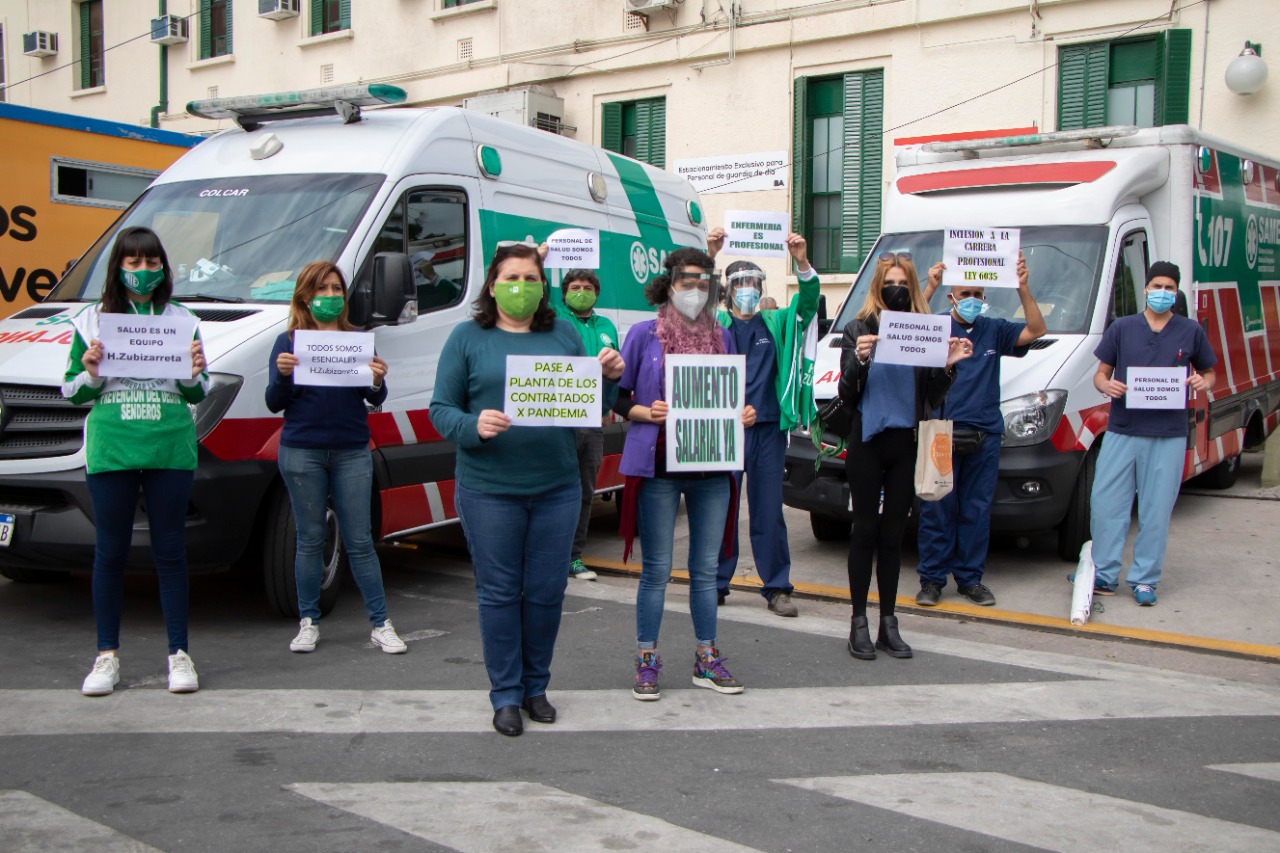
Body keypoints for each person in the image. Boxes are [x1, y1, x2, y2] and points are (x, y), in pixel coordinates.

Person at [430, 242, 624, 736]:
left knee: (544, 593)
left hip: (557, 487)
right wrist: (474, 424)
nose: (521, 288)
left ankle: (536, 687)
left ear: (544, 288)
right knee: (499, 594)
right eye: (511, 278)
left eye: (531, 280)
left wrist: (608, 381)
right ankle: (506, 695)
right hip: (489, 488)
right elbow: (440, 410)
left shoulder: (562, 334)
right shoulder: (466, 338)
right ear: (492, 286)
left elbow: (590, 408)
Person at [63, 226, 209, 697]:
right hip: (113, 447)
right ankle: (107, 656)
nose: (143, 271)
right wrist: (88, 371)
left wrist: (193, 372)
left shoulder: (182, 319)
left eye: (151, 263)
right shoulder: (91, 320)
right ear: (118, 268)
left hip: (170, 446)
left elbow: (197, 391)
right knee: (111, 553)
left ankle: (179, 655)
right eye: (133, 263)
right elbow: (70, 392)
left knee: (170, 551)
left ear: (163, 268)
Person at [615, 247, 757, 701]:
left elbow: (732, 398)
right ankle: (646, 660)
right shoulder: (642, 335)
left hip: (712, 468)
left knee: (705, 569)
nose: (695, 289)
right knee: (656, 569)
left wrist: (744, 414)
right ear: (669, 282)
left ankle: (706, 658)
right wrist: (646, 411)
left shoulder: (724, 336)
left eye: (703, 281)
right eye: (687, 280)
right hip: (658, 466)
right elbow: (618, 401)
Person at [265, 261, 407, 656]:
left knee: (360, 540)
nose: (330, 296)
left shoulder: (357, 340)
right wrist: (282, 376)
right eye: (322, 289)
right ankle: (308, 621)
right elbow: (274, 402)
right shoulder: (288, 342)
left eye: (336, 289)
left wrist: (377, 378)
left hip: (351, 451)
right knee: (309, 540)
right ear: (305, 297)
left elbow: (375, 397)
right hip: (302, 451)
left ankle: (381, 623)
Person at [838, 253, 972, 661]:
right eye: (889, 281)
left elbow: (931, 396)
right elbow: (847, 394)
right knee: (864, 531)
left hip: (905, 442)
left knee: (893, 537)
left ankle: (888, 623)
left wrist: (948, 367)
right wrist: (859, 360)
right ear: (878, 285)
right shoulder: (858, 328)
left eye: (902, 282)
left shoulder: (925, 329)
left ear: (911, 286)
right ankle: (858, 621)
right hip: (867, 441)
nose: (896, 288)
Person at [915, 252, 1045, 607]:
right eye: (965, 294)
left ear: (985, 298)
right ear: (951, 297)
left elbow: (1036, 329)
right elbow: (904, 329)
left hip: (985, 434)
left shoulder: (996, 329)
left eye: (978, 294)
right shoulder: (935, 325)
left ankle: (970, 579)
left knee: (975, 509)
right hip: (941, 432)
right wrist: (929, 286)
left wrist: (1023, 287)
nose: (972, 300)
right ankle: (931, 580)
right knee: (936, 507)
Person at [706, 227, 820, 617]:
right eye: (742, 283)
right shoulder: (715, 323)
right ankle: (717, 582)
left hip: (769, 430)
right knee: (721, 507)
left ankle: (776, 587)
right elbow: (690, 301)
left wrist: (801, 262)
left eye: (755, 283)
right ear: (728, 289)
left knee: (769, 510)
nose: (749, 290)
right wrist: (709, 252)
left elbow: (807, 305)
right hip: (725, 430)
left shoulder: (775, 322)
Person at [1089, 261, 1215, 606]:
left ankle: (1145, 579)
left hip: (1168, 434)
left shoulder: (1189, 331)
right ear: (1145, 289)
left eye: (1170, 288)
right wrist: (1106, 385)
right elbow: (1100, 374)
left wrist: (1203, 382)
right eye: (1157, 286)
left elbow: (1209, 371)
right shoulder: (1122, 328)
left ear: (1177, 293)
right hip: (1123, 428)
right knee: (1105, 503)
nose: (1163, 292)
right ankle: (1104, 573)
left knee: (1156, 510)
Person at [552, 268, 620, 582]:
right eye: (575, 286)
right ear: (564, 292)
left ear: (596, 292)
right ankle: (549, 556)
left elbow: (615, 369)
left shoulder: (606, 326)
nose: (582, 291)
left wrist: (607, 406)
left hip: (592, 420)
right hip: (557, 420)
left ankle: (574, 557)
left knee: (584, 491)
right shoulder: (554, 319)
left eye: (588, 287)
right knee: (553, 488)